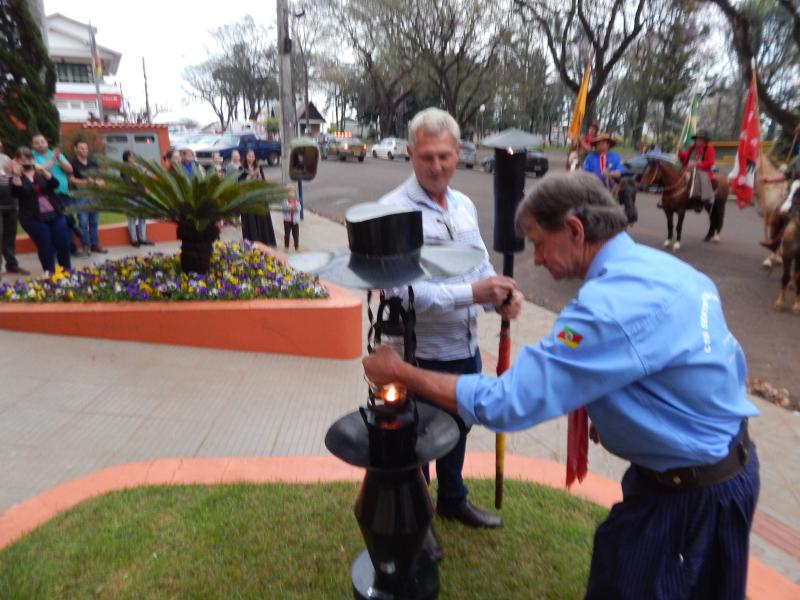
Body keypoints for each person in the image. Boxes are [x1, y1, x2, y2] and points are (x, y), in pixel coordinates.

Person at [364, 172, 759, 600]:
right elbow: (717, 366)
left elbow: (508, 402)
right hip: (720, 469)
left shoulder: (607, 307)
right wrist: (618, 403)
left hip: (691, 499)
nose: (535, 259)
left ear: (574, 230)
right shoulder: (670, 271)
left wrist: (401, 372)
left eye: (538, 243)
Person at [378, 107, 524, 561]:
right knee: (416, 440)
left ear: (458, 151)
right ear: (409, 153)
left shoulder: (463, 206)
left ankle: (453, 500)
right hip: (418, 353)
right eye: (426, 157)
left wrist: (498, 295)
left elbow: (479, 265)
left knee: (458, 430)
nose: (436, 166)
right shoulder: (392, 212)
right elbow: (398, 292)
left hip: (464, 347)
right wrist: (472, 291)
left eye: (444, 155)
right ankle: (418, 519)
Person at [10, 147, 71, 272]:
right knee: (46, 247)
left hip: (55, 214)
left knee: (64, 245)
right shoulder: (16, 176)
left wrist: (43, 171)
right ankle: (50, 276)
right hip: (33, 218)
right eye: (22, 160)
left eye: (29, 159)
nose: (26, 162)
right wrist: (16, 175)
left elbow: (55, 184)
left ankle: (68, 273)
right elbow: (16, 193)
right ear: (16, 161)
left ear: (33, 159)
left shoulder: (40, 172)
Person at [31, 132, 86, 258]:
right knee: (50, 224)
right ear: (32, 145)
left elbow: (70, 169)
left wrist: (59, 159)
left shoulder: (55, 154)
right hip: (46, 197)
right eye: (37, 142)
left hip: (63, 194)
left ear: (47, 142)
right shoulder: (31, 156)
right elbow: (39, 170)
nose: (40, 144)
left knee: (69, 222)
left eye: (42, 141)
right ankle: (54, 252)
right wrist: (53, 160)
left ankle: (72, 248)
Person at [68, 140, 108, 255]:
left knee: (94, 221)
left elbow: (101, 178)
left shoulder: (93, 163)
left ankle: (95, 244)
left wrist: (100, 181)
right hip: (81, 195)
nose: (85, 150)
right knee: (83, 222)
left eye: (86, 148)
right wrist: (87, 181)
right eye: (82, 148)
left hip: (94, 195)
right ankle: (86, 245)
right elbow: (71, 180)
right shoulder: (72, 163)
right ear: (75, 149)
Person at [0, 139, 29, 277]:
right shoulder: (5, 163)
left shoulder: (5, 158)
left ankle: (12, 265)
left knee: (9, 236)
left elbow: (16, 176)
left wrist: (17, 170)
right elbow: (4, 173)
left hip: (11, 203)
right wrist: (4, 170)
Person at [237, 149, 276, 247]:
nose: (251, 158)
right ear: (245, 157)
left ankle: (265, 240)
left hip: (259, 196)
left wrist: (258, 174)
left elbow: (263, 182)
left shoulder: (258, 167)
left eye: (253, 156)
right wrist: (250, 175)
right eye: (249, 156)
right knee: (251, 220)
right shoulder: (241, 169)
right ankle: (252, 241)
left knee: (262, 218)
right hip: (248, 198)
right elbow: (241, 184)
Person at [120, 150, 154, 248]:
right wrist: (141, 173)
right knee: (132, 218)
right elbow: (131, 181)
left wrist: (142, 171)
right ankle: (134, 240)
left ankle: (142, 238)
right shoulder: (124, 169)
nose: (133, 158)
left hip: (141, 193)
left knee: (143, 217)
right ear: (127, 158)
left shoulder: (137, 167)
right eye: (131, 157)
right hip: (132, 195)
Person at [679, 130, 716, 211]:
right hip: (686, 169)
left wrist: (696, 164)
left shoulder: (709, 149)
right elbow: (684, 160)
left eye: (700, 139)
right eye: (697, 139)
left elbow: (710, 162)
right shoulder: (690, 148)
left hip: (702, 170)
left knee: (699, 176)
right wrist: (680, 152)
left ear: (705, 140)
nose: (697, 140)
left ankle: (700, 200)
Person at [282, 185, 300, 252]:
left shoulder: (296, 202)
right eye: (289, 192)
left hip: (295, 221)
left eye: (292, 192)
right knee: (287, 234)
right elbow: (284, 209)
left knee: (296, 234)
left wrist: (296, 207)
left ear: (294, 193)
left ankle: (296, 246)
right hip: (287, 221)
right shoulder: (285, 202)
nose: (291, 194)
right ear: (286, 194)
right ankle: (286, 246)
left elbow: (299, 208)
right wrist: (290, 208)